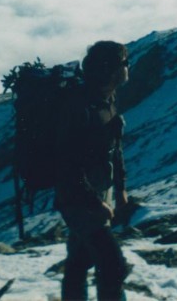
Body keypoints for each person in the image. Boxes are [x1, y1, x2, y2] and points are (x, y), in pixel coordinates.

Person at [54, 40, 131, 301]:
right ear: (109, 69)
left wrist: (120, 189)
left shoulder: (105, 100)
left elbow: (113, 148)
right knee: (113, 265)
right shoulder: (81, 107)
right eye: (124, 62)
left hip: (96, 194)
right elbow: (66, 164)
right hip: (79, 199)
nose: (128, 67)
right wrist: (94, 202)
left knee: (79, 261)